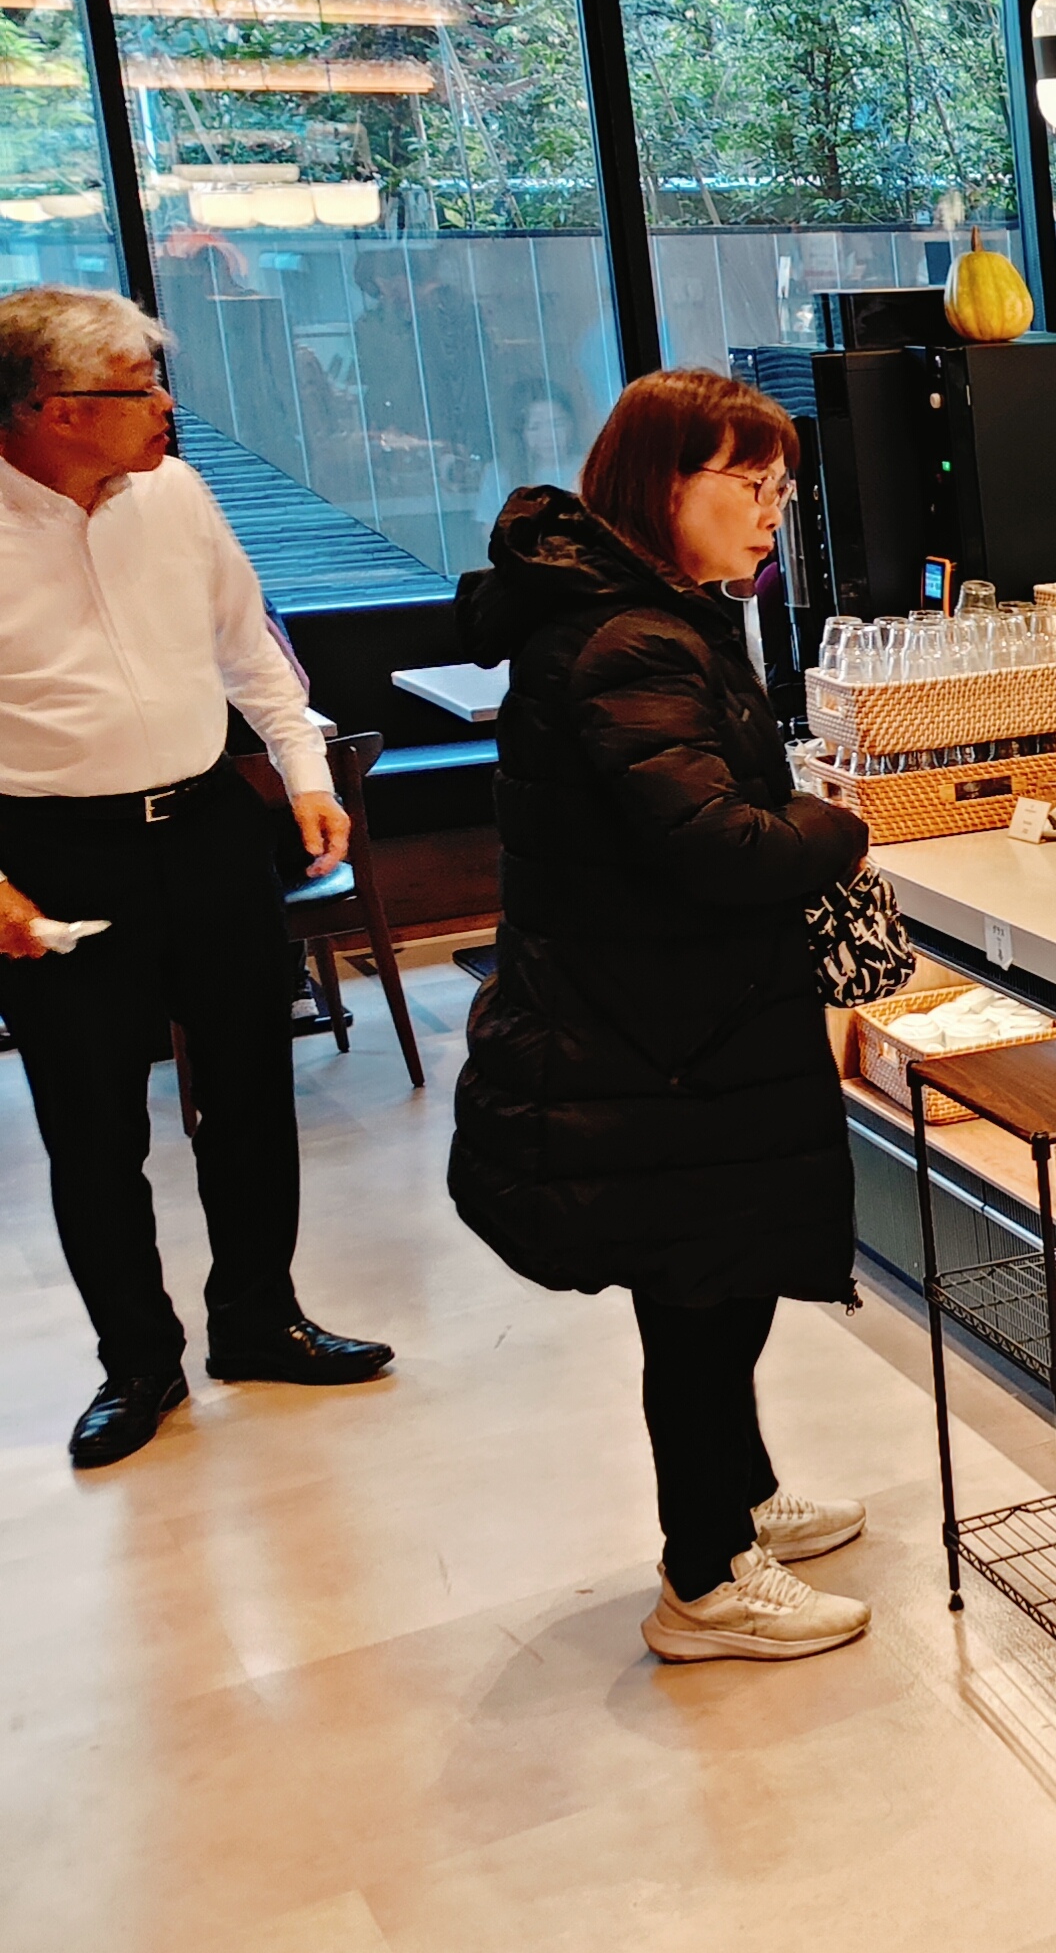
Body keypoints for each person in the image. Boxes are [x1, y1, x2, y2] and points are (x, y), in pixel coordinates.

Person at [450, 369, 880, 1663]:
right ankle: (706, 1577)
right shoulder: (630, 638)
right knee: (698, 1300)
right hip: (655, 1042)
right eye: (747, 487)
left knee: (720, 1280)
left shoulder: (651, 612)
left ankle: (741, 1499)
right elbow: (716, 845)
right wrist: (840, 822)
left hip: (670, 1026)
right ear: (661, 487)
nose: (771, 515)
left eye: (780, 489)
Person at [0, 289, 392, 1466]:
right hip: (55, 849)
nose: (171, 406)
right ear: (56, 410)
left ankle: (258, 1319)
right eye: (141, 388)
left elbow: (248, 645)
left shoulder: (174, 492)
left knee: (249, 1090)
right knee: (92, 1123)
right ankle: (138, 1363)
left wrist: (306, 769)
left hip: (209, 822)